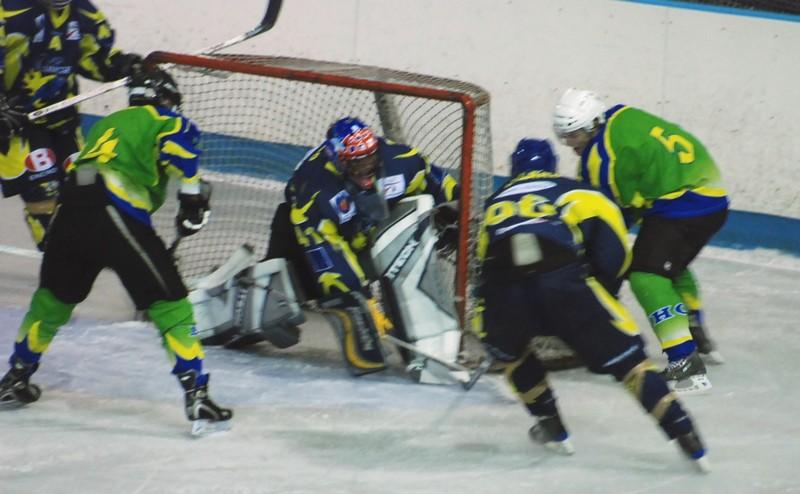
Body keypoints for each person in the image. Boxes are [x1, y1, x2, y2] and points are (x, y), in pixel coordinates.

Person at [0, 68, 232, 435]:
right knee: (170, 302)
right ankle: (197, 393)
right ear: (166, 98)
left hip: (69, 211)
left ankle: (16, 376)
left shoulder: (106, 125)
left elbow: (79, 166)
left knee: (52, 301)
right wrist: (192, 200)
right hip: (113, 211)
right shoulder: (166, 119)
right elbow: (181, 151)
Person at [474, 138, 708, 471]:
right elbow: (614, 254)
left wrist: (493, 325)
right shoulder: (579, 191)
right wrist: (598, 296)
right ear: (553, 166)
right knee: (631, 364)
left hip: (503, 291)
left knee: (512, 355)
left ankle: (551, 426)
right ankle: (684, 433)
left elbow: (483, 264)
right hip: (563, 283)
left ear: (513, 169)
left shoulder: (495, 202)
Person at [552, 88, 729, 393]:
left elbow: (612, 219)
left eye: (575, 135)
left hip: (684, 205)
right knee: (663, 261)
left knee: (647, 276)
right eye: (564, 136)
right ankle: (692, 322)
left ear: (593, 125)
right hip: (711, 198)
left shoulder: (600, 158)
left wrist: (591, 263)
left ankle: (686, 365)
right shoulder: (621, 115)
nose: (570, 143)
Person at [265, 116, 460, 375]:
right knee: (280, 304)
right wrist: (364, 300)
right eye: (358, 164)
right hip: (300, 243)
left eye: (371, 160)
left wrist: (454, 213)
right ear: (339, 160)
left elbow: (440, 184)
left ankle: (417, 338)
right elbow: (330, 258)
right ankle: (251, 305)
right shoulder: (314, 191)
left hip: (363, 232)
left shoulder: (402, 161)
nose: (367, 171)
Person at [0, 0, 144, 251]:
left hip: (64, 121)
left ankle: (81, 251)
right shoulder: (8, 10)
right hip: (18, 126)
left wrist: (125, 66)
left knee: (85, 187)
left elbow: (94, 58)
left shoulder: (82, 12)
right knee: (43, 195)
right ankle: (58, 255)